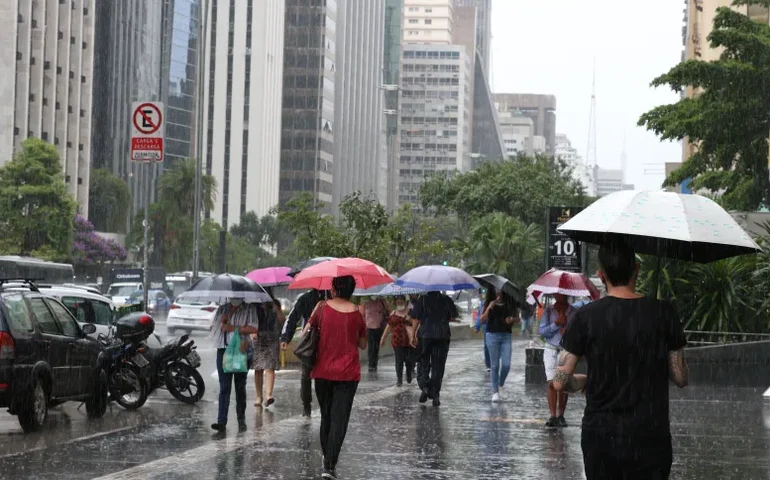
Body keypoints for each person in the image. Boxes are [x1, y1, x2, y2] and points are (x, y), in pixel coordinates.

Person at [554, 243, 688, 480]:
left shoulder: (586, 317)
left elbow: (560, 382)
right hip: (650, 435)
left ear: (601, 275)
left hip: (601, 436)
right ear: (636, 269)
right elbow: (680, 377)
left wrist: (585, 380)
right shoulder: (663, 312)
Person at [305, 275, 367, 480]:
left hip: (323, 371)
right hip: (348, 374)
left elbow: (306, 333)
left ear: (333, 289)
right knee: (340, 419)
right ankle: (329, 464)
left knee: (326, 416)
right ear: (351, 291)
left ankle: (327, 459)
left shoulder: (321, 307)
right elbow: (363, 344)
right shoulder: (357, 312)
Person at [210, 298, 260, 433]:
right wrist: (221, 321)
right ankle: (221, 421)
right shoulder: (222, 309)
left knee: (240, 385)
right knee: (224, 387)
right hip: (223, 350)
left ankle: (241, 419)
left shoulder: (249, 308)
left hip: (241, 350)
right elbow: (214, 329)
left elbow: (254, 328)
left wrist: (234, 328)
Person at [280, 288, 328, 417]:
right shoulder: (306, 299)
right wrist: (286, 338)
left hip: (326, 342)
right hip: (309, 343)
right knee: (306, 375)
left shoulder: (332, 298)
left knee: (321, 377)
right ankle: (307, 405)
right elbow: (292, 317)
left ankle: (323, 405)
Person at [410, 290, 460, 407]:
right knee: (438, 366)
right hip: (442, 335)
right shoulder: (446, 300)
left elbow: (416, 319)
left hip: (425, 336)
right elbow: (453, 317)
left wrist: (412, 335)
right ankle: (435, 394)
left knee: (423, 363)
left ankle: (425, 387)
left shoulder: (422, 300)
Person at [538, 293, 576, 428]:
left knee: (563, 384)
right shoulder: (548, 311)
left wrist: (568, 332)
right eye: (557, 294)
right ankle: (553, 415)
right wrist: (556, 324)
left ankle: (561, 415)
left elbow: (579, 332)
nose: (560, 296)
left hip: (565, 351)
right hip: (551, 350)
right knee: (551, 384)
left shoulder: (574, 312)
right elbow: (543, 332)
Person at [481, 290, 519, 402]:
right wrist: (489, 308)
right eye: (495, 289)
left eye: (499, 290)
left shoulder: (510, 303)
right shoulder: (489, 302)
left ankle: (501, 384)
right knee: (494, 365)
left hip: (506, 336)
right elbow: (482, 320)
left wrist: (511, 319)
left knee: (506, 364)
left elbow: (518, 319)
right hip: (492, 336)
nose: (497, 292)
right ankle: (495, 392)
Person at [252, 296, 284, 409]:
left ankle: (268, 395)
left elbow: (282, 321)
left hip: (272, 338)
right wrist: (252, 332)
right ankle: (259, 396)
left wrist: (277, 309)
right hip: (258, 338)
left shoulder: (274, 304)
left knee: (270, 367)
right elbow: (251, 321)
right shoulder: (255, 306)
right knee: (258, 368)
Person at [379, 296, 416, 386]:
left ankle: (408, 374)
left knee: (409, 360)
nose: (400, 304)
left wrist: (410, 319)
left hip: (408, 340)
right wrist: (383, 338)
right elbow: (389, 326)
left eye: (401, 302)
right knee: (399, 360)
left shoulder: (410, 312)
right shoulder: (393, 313)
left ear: (405, 302)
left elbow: (417, 323)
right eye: (398, 302)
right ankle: (399, 379)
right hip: (397, 340)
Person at [359, 296, 389, 372]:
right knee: (371, 346)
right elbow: (362, 316)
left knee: (376, 346)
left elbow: (387, 312)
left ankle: (374, 363)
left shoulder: (382, 302)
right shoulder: (366, 304)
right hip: (369, 328)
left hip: (379, 327)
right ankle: (371, 364)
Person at [475, 289, 494, 372]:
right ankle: (488, 364)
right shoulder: (483, 303)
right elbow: (480, 315)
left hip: (497, 328)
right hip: (487, 328)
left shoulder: (498, 302)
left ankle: (494, 362)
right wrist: (477, 326)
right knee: (487, 346)